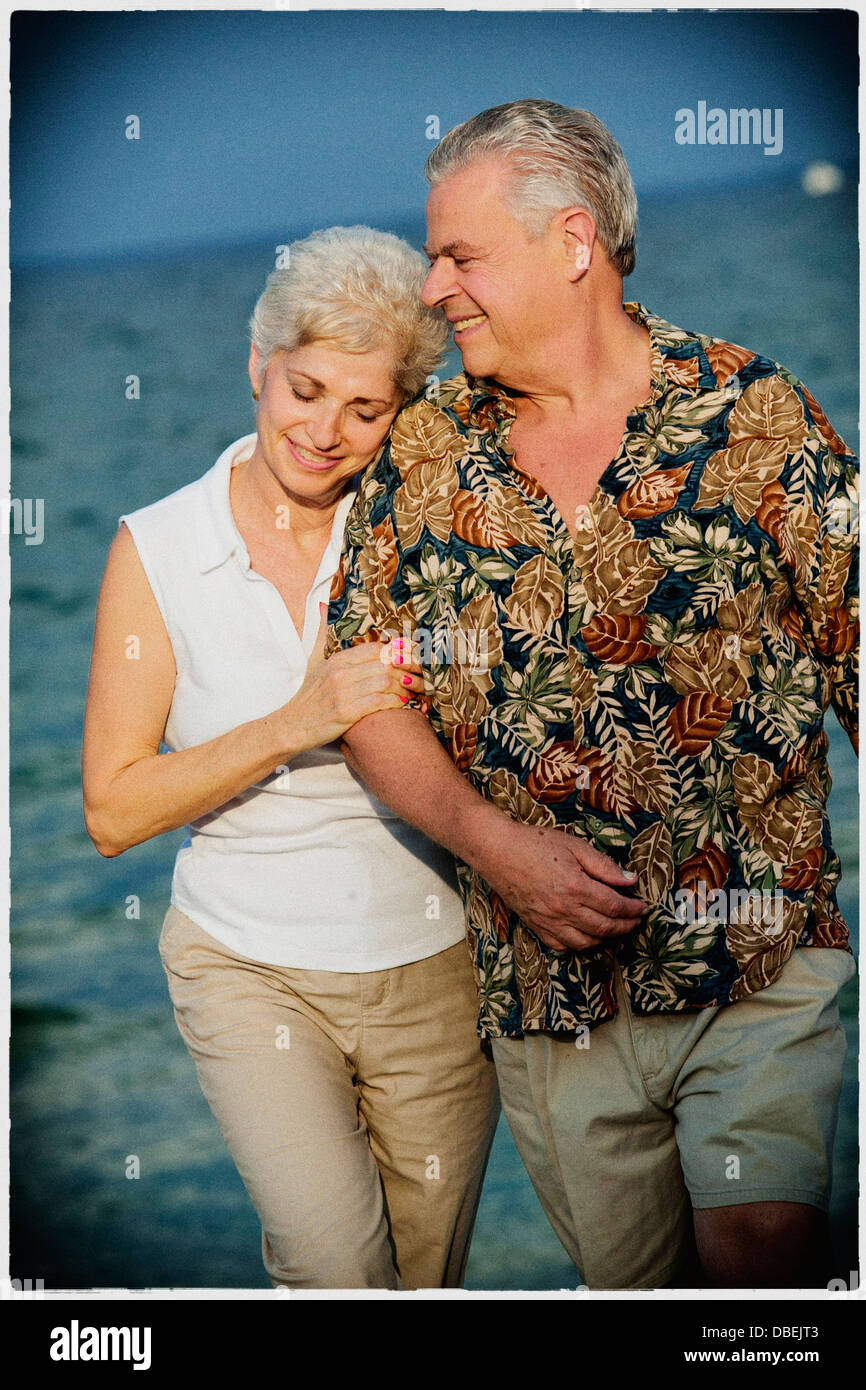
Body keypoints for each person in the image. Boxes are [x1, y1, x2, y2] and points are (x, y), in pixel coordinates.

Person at [326, 100, 859, 1290]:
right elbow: (362, 694)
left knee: (762, 1267)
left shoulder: (754, 419)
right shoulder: (422, 456)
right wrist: (492, 846)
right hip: (546, 1004)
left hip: (758, 972)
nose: (430, 288)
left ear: (570, 243)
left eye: (458, 256)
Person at [82, 225, 500, 1290]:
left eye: (365, 410)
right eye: (304, 389)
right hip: (248, 966)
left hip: (436, 963)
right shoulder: (157, 547)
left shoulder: (423, 526)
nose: (324, 431)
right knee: (333, 1262)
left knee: (423, 1276)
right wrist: (292, 718)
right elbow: (113, 809)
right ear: (257, 367)